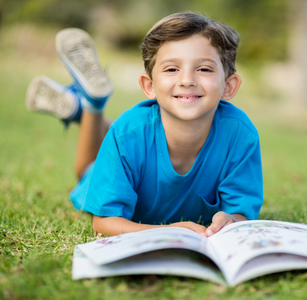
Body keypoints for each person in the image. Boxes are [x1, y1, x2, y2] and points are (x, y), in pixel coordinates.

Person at [26, 12, 263, 237]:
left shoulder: (240, 135)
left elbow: (240, 213)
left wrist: (232, 220)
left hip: (138, 134)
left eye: (204, 69)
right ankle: (92, 106)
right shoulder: (127, 134)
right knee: (87, 169)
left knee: (138, 134)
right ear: (149, 86)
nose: (187, 80)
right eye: (172, 69)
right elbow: (103, 222)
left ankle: (80, 109)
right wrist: (168, 231)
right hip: (131, 135)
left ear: (228, 86)